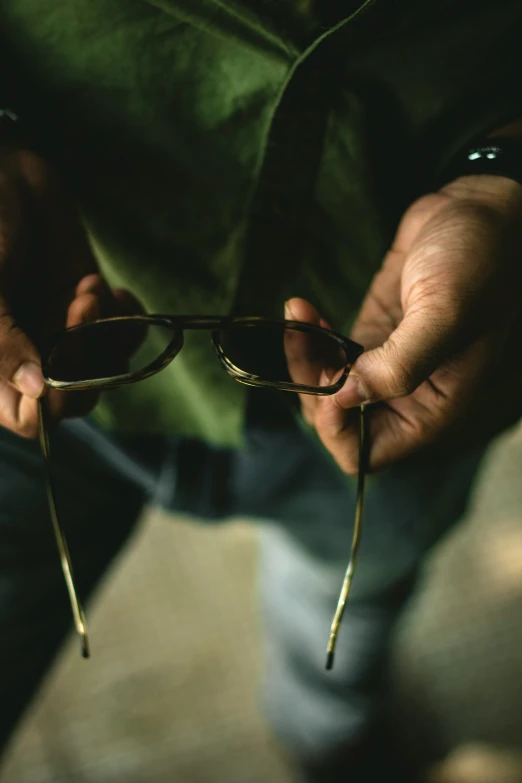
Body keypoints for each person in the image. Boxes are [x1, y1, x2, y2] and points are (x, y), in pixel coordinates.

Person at [1, 0, 522, 780]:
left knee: (357, 592)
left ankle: (329, 727)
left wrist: (503, 176)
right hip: (40, 328)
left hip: (410, 367)